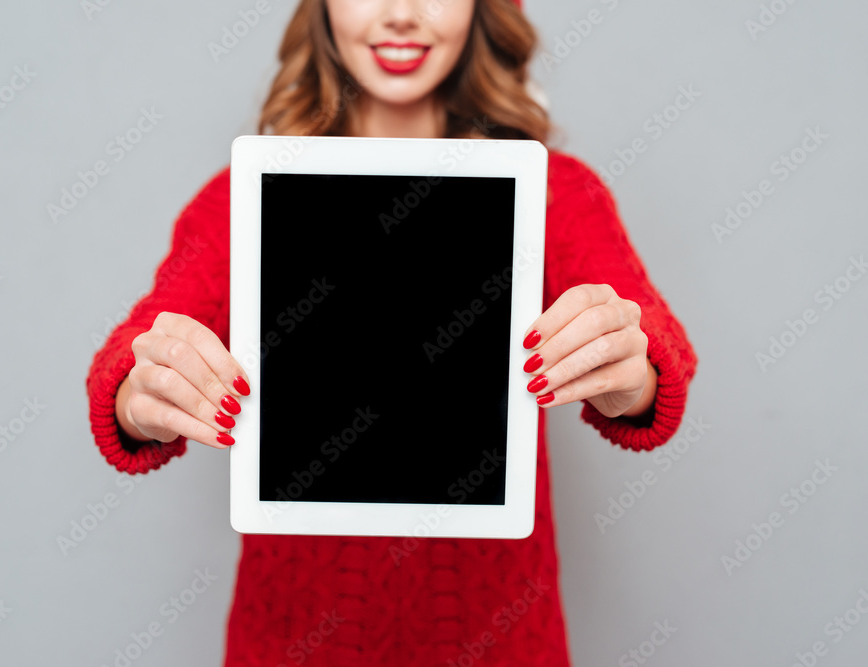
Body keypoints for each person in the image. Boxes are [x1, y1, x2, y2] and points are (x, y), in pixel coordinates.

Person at [85, 0, 698, 664]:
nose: (401, 14)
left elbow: (657, 349)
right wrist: (139, 393)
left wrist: (631, 372)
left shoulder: (556, 195)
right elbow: (131, 356)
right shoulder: (243, 201)